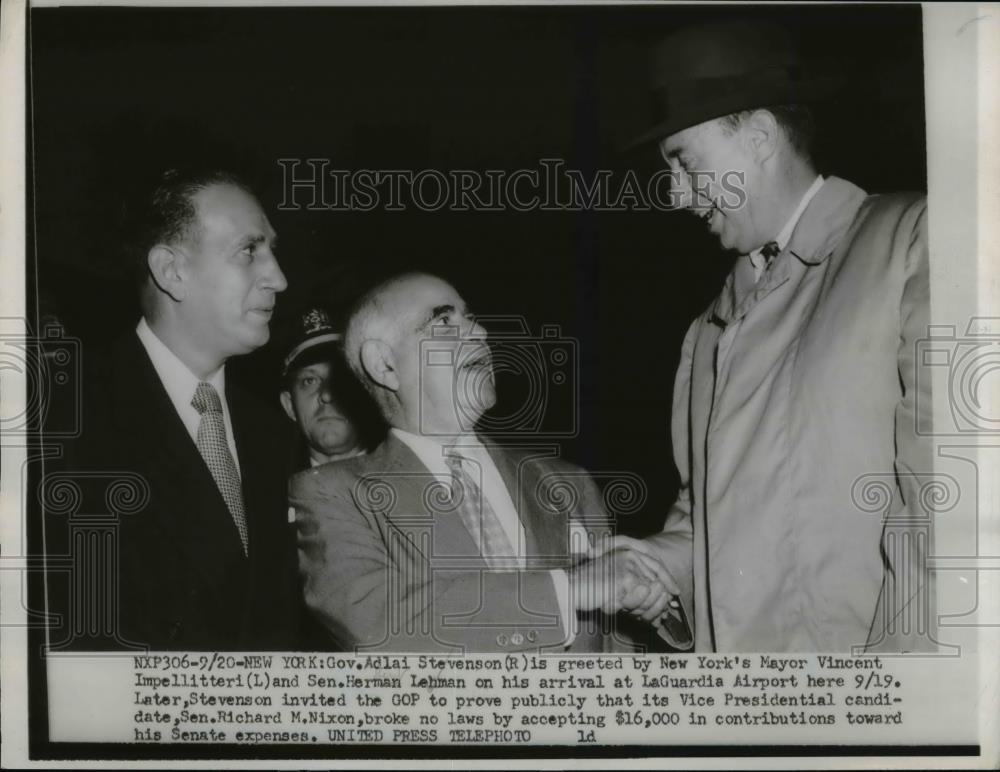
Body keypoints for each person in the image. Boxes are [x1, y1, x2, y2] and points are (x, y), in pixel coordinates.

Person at [617, 19, 934, 652]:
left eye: (684, 162)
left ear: (758, 136)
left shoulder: (913, 240)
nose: (677, 196)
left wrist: (905, 697)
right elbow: (711, 515)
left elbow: (949, 498)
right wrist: (648, 567)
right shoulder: (706, 330)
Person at [289, 272, 676, 652]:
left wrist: (651, 599)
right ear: (384, 365)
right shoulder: (332, 493)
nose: (479, 333)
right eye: (443, 321)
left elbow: (618, 646)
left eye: (470, 317)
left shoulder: (569, 484)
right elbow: (375, 624)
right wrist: (570, 590)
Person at [46, 167, 300, 650]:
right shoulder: (63, 419)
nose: (279, 278)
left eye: (272, 249)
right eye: (249, 250)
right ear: (172, 271)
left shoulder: (273, 433)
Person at [279, 306, 373, 471]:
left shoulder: (409, 482)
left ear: (368, 393)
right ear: (289, 405)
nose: (327, 395)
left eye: (341, 379)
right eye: (309, 381)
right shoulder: (265, 492)